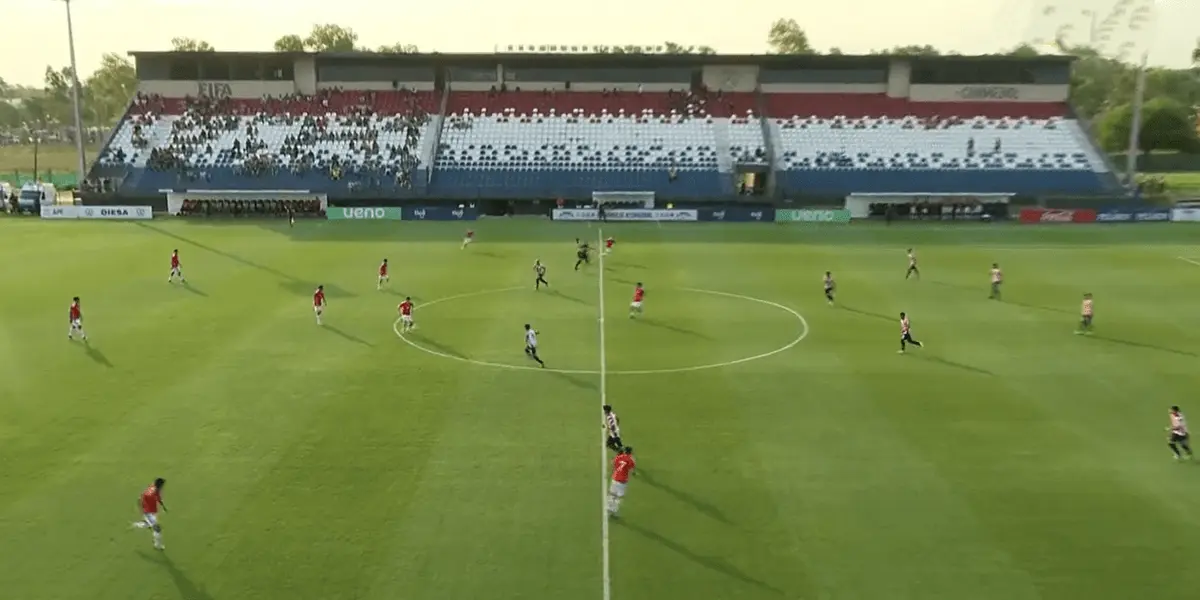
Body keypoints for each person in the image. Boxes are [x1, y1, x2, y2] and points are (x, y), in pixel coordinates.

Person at [131, 477, 167, 550]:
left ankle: (137, 525)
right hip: (149, 513)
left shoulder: (153, 488)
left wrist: (162, 505)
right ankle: (157, 545)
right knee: (157, 528)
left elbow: (158, 496)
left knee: (149, 524)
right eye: (162, 485)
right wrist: (143, 510)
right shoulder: (152, 494)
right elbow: (140, 499)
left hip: (152, 512)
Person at [607, 447, 635, 518]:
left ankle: (608, 510)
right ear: (630, 452)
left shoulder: (618, 457)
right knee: (619, 497)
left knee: (612, 495)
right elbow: (632, 470)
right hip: (622, 481)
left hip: (615, 478)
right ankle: (614, 511)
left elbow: (612, 463)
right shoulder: (630, 459)